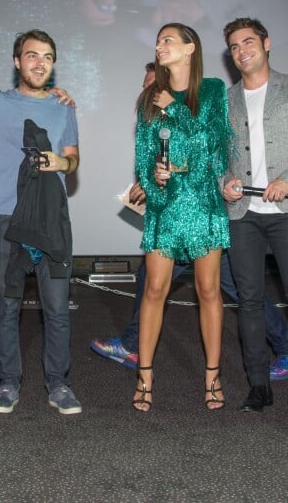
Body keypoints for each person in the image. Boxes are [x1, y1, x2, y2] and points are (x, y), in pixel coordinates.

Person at [92, 61, 288, 381]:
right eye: (146, 86)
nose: (149, 92)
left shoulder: (201, 106)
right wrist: (150, 180)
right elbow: (153, 161)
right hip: (171, 222)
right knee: (158, 283)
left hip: (203, 219)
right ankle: (133, 345)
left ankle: (281, 347)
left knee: (232, 288)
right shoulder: (155, 120)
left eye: (154, 85)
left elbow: (207, 154)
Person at [133, 23, 233, 412]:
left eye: (168, 40)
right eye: (158, 41)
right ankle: (144, 376)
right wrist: (154, 179)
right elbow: (142, 159)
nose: (160, 46)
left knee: (209, 291)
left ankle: (212, 376)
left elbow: (213, 150)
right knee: (154, 290)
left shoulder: (211, 90)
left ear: (190, 48)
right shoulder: (146, 98)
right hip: (164, 206)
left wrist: (173, 107)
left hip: (204, 203)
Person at [0, 30, 81, 415]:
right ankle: (8, 383)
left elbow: (74, 159)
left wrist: (62, 162)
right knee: (7, 304)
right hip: (6, 217)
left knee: (56, 307)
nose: (39, 62)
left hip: (51, 220)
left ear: (53, 64)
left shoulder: (64, 108)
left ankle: (58, 384)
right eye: (31, 55)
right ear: (16, 62)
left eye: (46, 57)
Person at [221, 17, 288, 413]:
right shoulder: (225, 100)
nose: (242, 50)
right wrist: (224, 180)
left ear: (266, 43)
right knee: (248, 301)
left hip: (284, 211)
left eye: (248, 41)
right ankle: (258, 385)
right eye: (234, 46)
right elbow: (216, 157)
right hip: (242, 213)